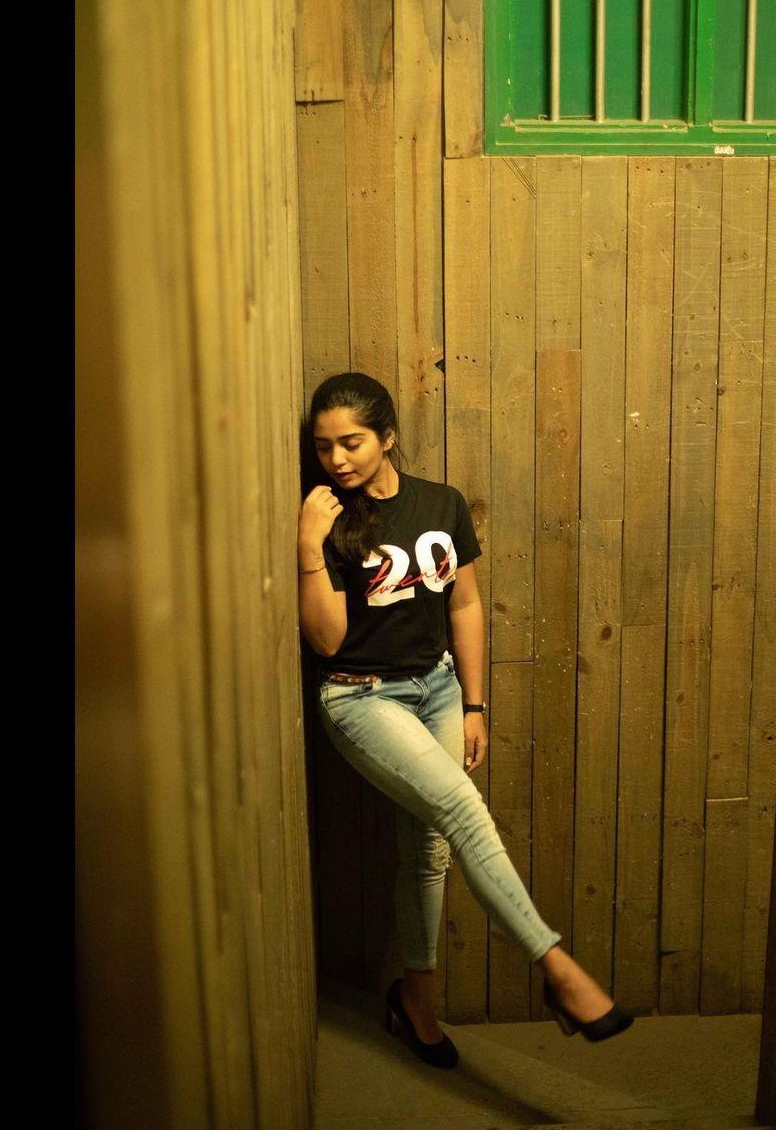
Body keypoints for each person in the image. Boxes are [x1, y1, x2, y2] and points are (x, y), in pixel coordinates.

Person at [298, 372, 633, 1067]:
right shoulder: (327, 517)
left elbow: (465, 605)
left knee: (430, 848)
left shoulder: (440, 503)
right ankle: (559, 971)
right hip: (361, 697)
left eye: (351, 442)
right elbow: (327, 642)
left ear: (388, 437)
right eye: (324, 446)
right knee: (461, 810)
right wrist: (308, 548)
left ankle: (414, 999)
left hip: (439, 689)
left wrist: (475, 703)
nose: (337, 459)